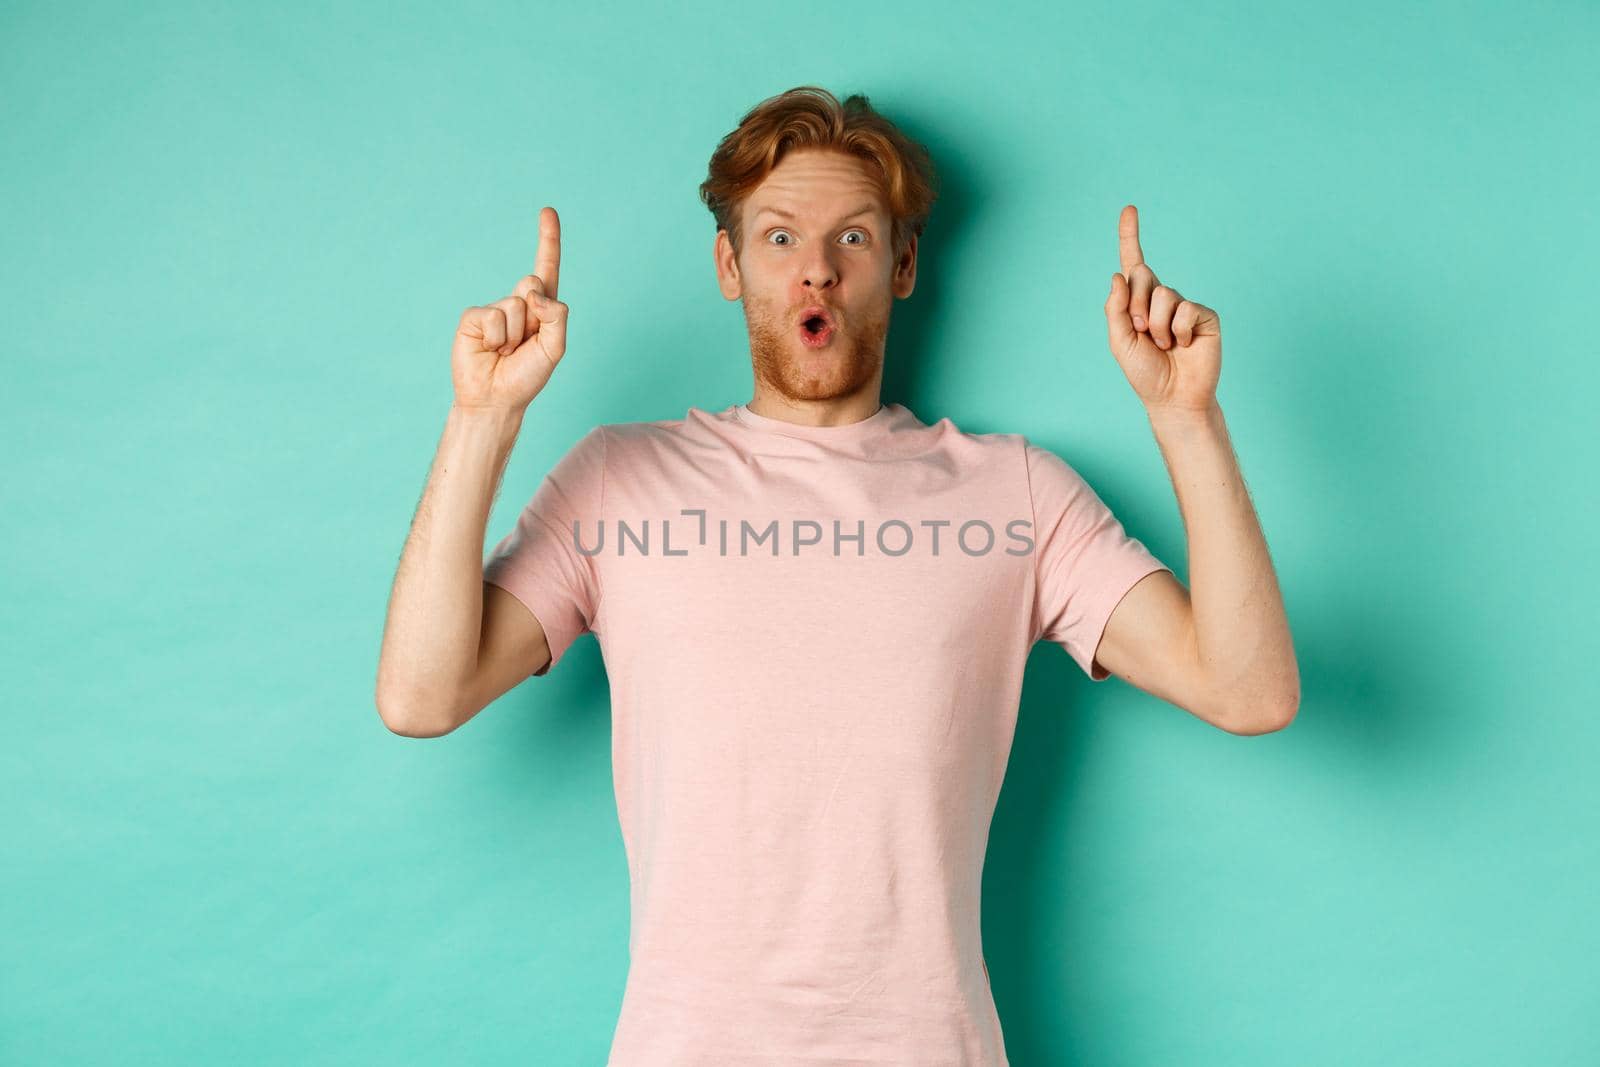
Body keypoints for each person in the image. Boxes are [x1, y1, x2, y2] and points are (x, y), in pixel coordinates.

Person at [375, 85, 1299, 1067]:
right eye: (778, 238)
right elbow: (421, 695)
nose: (815, 269)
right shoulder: (618, 479)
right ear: (729, 264)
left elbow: (1248, 690)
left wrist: (1187, 420)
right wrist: (481, 417)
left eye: (852, 239)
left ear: (902, 265)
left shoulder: (1016, 494)